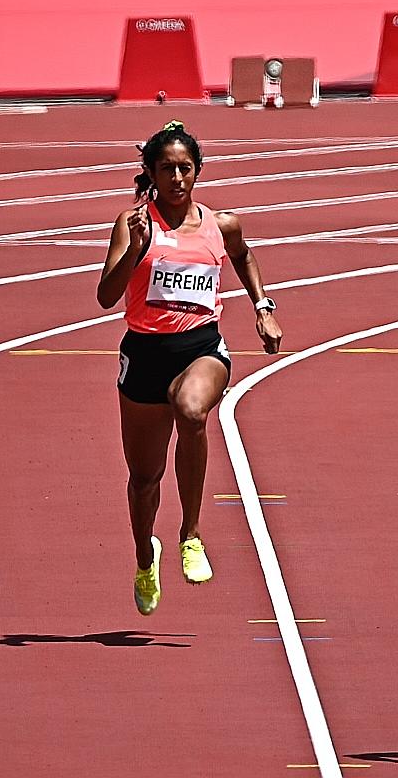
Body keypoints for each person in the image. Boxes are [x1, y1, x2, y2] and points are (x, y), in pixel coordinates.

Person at [96, 121, 283, 615]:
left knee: (193, 410)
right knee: (144, 478)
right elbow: (105, 296)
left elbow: (244, 258)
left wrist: (263, 308)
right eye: (167, 170)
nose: (177, 178)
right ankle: (144, 556)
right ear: (151, 174)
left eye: (185, 168)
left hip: (202, 347)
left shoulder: (221, 225)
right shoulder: (133, 223)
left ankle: (191, 534)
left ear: (197, 170)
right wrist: (135, 251)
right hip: (144, 355)